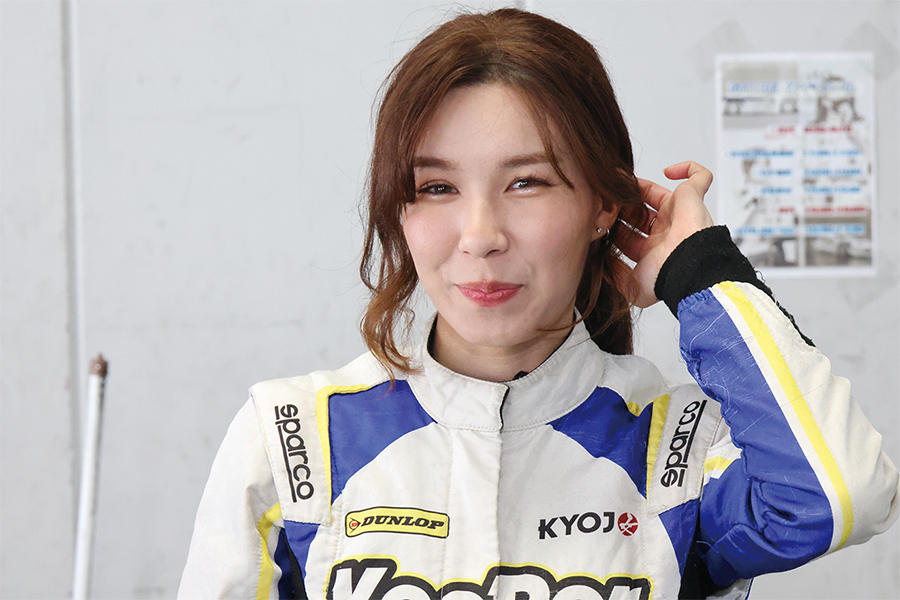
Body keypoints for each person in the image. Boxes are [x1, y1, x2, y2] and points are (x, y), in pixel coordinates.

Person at [178, 8, 898, 600]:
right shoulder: (291, 436)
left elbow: (842, 496)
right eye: (436, 188)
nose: (480, 236)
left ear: (603, 205)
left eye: (527, 182)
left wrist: (701, 273)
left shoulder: (681, 447)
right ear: (400, 211)